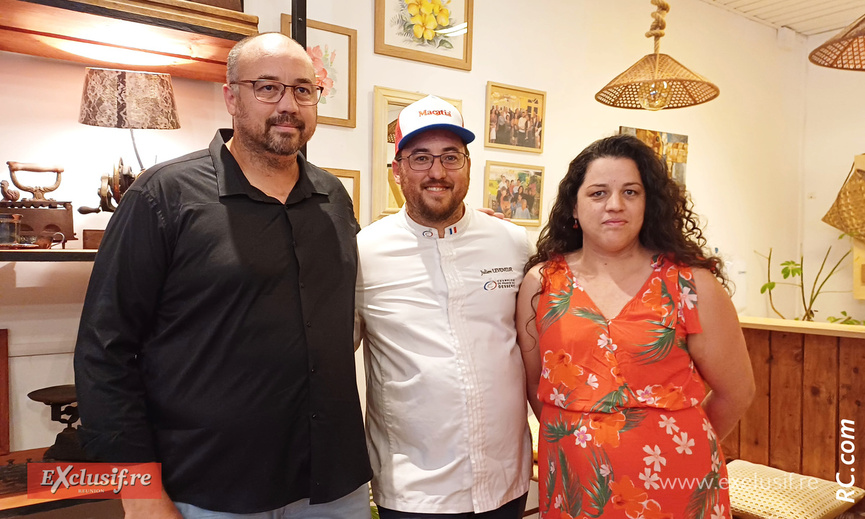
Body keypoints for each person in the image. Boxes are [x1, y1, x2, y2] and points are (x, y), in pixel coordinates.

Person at [73, 32, 372, 519]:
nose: (288, 104)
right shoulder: (164, 196)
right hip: (211, 489)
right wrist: (138, 490)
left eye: (303, 89)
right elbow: (104, 350)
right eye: (267, 87)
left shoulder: (333, 197)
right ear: (232, 96)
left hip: (332, 486)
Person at [516, 134, 754, 519]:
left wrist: (672, 441)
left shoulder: (691, 284)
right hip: (577, 485)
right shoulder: (541, 283)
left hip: (676, 483)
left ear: (649, 204)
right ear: (573, 208)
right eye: (597, 193)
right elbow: (534, 384)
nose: (615, 205)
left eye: (631, 192)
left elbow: (737, 392)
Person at [356, 95, 533, 518]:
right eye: (420, 158)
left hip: (507, 480)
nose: (437, 172)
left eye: (451, 157)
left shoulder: (511, 242)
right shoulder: (364, 253)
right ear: (396, 170)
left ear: (468, 165)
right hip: (414, 490)